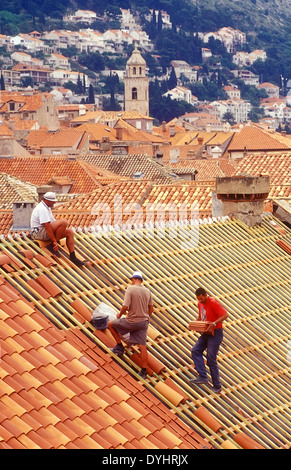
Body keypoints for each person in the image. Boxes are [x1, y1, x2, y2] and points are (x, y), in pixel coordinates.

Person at [108, 271, 154, 379]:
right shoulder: (148, 291)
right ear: (141, 280)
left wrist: (119, 315)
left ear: (133, 279)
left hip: (132, 321)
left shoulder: (130, 289)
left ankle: (119, 347)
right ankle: (143, 371)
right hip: (143, 323)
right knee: (143, 346)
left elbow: (125, 306)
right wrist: (144, 317)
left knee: (110, 324)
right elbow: (151, 309)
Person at [30, 191, 86, 267]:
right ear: (48, 201)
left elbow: (53, 223)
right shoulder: (42, 209)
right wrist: (54, 241)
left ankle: (73, 257)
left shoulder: (47, 208)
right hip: (39, 233)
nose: (54, 203)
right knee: (63, 222)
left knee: (69, 232)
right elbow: (47, 226)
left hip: (43, 231)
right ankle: (53, 245)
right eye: (53, 202)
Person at [190, 287, 228, 394]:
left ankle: (217, 386)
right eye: (198, 299)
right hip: (206, 332)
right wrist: (194, 324)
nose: (200, 301)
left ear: (205, 295)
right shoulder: (200, 303)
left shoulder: (213, 303)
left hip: (216, 333)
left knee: (211, 358)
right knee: (195, 351)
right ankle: (203, 376)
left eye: (201, 298)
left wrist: (214, 323)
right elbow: (200, 317)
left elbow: (225, 314)